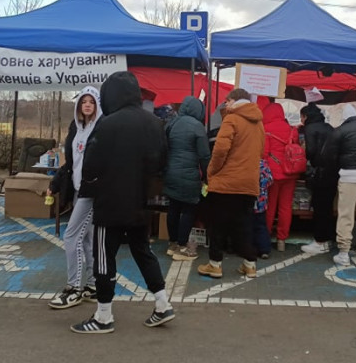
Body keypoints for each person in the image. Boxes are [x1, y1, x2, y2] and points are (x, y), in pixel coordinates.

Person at [70, 72, 172, 334]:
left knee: (104, 258)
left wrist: (88, 190)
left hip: (110, 203)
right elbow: (161, 161)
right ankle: (163, 303)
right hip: (141, 201)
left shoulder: (107, 124)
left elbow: (92, 164)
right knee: (143, 251)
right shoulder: (155, 123)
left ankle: (104, 316)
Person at [197, 88, 264, 279]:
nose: (225, 104)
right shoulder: (259, 123)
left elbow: (220, 150)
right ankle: (250, 265)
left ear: (234, 101)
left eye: (227, 101)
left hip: (227, 182)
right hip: (249, 183)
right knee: (244, 225)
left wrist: (211, 171)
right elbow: (261, 150)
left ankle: (215, 264)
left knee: (218, 224)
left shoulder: (231, 119)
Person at [47, 86, 103, 309]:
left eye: (91, 101)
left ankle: (74, 288)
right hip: (78, 189)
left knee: (71, 237)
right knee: (86, 239)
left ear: (97, 105)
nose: (87, 105)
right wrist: (55, 183)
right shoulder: (76, 127)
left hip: (91, 192)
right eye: (83, 101)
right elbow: (71, 163)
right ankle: (92, 285)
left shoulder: (101, 128)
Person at [321, 104, 356, 266]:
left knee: (346, 214)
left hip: (349, 175)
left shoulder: (340, 131)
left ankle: (344, 252)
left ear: (344, 118)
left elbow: (328, 155)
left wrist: (336, 169)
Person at [163, 96, 211, 261]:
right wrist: (207, 176)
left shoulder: (172, 123)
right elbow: (204, 156)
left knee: (173, 208)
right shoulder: (197, 127)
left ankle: (172, 244)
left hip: (170, 172)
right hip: (189, 174)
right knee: (189, 208)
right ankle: (182, 247)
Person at [300, 103, 338, 255]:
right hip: (333, 172)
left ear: (306, 116)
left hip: (319, 173)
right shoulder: (329, 127)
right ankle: (328, 239)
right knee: (327, 207)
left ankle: (319, 241)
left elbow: (310, 151)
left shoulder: (310, 128)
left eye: (301, 117)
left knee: (319, 206)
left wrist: (304, 148)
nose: (301, 120)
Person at [262, 102, 301, 252]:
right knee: (285, 207)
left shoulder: (266, 129)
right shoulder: (292, 130)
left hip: (272, 173)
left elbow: (264, 154)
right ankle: (281, 240)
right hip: (290, 173)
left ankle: (265, 237)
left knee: (270, 207)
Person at [252, 159, 274, 259]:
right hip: (261, 202)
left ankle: (251, 248)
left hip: (250, 201)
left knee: (248, 226)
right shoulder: (263, 164)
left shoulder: (246, 162)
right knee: (261, 226)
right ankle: (264, 249)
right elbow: (270, 180)